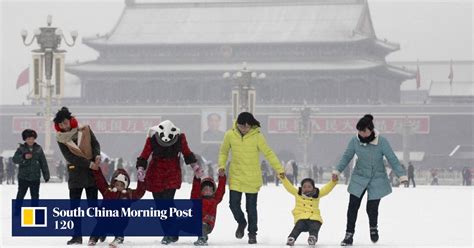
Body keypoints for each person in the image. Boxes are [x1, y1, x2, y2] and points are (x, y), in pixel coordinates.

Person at [332, 114, 407, 246]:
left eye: (364, 131)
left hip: (377, 178)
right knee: (353, 206)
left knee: (371, 207)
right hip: (359, 177)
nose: (362, 133)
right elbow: (346, 157)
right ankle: (349, 235)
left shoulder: (382, 142)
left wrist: (402, 175)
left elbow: (392, 159)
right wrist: (337, 171)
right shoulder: (354, 141)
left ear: (371, 129)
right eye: (360, 131)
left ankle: (373, 228)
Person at [218, 112, 285, 244]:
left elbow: (268, 153)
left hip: (252, 177)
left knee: (251, 208)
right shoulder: (230, 135)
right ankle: (242, 222)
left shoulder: (258, 136)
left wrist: (279, 169)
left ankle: (252, 233)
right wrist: (221, 166)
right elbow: (224, 151)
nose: (245, 129)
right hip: (236, 176)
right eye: (242, 126)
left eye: (247, 127)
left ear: (251, 125)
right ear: (237, 124)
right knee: (233, 205)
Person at [135, 120, 201, 245]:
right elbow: (144, 155)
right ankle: (171, 232)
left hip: (172, 174)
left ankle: (169, 233)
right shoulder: (152, 139)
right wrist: (140, 168)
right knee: (160, 206)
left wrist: (195, 166)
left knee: (168, 203)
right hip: (155, 175)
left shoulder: (180, 138)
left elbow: (187, 153)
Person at [54, 107, 103, 245]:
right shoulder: (61, 139)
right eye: (61, 124)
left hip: (91, 174)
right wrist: (89, 164)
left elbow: (95, 143)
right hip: (75, 174)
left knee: (93, 207)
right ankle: (77, 236)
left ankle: (101, 229)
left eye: (65, 122)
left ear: (70, 120)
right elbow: (71, 157)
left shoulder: (85, 129)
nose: (64, 126)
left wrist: (97, 155)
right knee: (74, 208)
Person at [90, 164, 146, 247]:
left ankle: (119, 238)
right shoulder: (108, 191)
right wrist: (96, 170)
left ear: (125, 186)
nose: (119, 187)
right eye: (117, 185)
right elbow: (100, 181)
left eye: (122, 185)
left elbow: (139, 193)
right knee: (100, 225)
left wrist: (141, 181)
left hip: (120, 219)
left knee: (118, 226)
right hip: (106, 217)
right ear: (113, 184)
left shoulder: (129, 195)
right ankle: (93, 238)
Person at [280, 174, 338, 246]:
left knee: (315, 226)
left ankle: (312, 238)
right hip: (301, 217)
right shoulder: (298, 193)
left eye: (309, 187)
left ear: (313, 187)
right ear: (301, 187)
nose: (306, 188)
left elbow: (326, 189)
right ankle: (292, 238)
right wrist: (283, 178)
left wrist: (333, 182)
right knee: (298, 227)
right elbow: (289, 187)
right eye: (304, 187)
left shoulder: (317, 194)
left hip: (314, 217)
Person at [12, 129, 50, 215]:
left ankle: (35, 211)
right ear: (25, 139)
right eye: (28, 138)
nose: (30, 140)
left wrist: (46, 175)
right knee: (21, 195)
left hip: (35, 177)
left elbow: (43, 162)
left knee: (35, 196)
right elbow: (14, 159)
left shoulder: (38, 149)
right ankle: (17, 211)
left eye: (32, 138)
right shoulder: (21, 148)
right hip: (23, 177)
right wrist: (24, 157)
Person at [190, 168, 226, 246]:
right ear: (201, 191)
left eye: (210, 190)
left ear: (213, 191)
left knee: (202, 225)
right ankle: (171, 236)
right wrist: (197, 178)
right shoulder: (197, 199)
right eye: (205, 189)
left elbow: (221, 190)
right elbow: (195, 190)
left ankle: (202, 239)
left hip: (207, 225)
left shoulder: (215, 200)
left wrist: (222, 177)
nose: (208, 191)